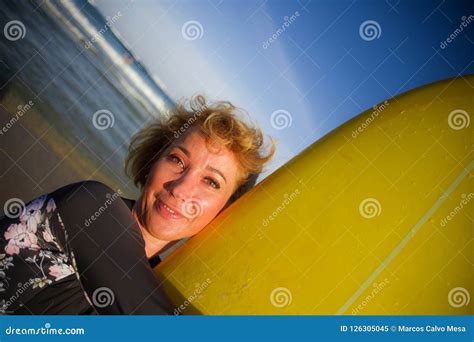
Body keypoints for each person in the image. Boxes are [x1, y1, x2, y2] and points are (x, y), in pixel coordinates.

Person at [0, 95, 275, 314]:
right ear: (153, 161)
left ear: (224, 210)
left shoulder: (155, 276)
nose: (180, 190)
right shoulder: (92, 207)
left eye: (211, 182)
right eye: (177, 160)